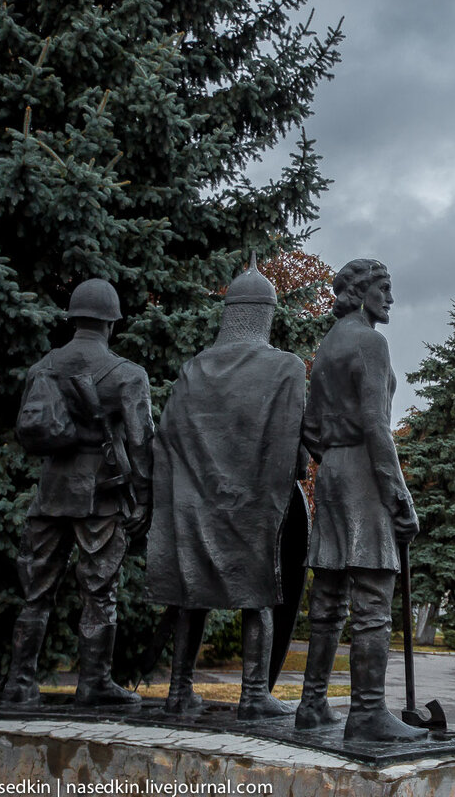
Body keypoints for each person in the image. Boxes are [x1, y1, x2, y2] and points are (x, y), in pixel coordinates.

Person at [144, 257, 308, 720]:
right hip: (253, 503)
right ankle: (253, 695)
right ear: (265, 315)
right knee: (257, 594)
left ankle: (179, 689)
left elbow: (168, 438)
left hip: (195, 503)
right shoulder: (287, 368)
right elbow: (292, 448)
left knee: (191, 594)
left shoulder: (193, 368)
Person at [1, 278, 154, 707]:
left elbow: (30, 428)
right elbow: (142, 442)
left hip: (50, 492)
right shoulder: (127, 375)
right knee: (100, 591)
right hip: (101, 495)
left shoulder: (43, 367)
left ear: (74, 319)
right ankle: (94, 683)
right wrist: (143, 497)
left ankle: (19, 683)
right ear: (110, 324)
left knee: (34, 593)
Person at [296, 258, 425, 742]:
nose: (391, 299)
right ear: (360, 291)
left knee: (328, 598)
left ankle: (311, 705)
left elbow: (309, 428)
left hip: (330, 474)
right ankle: (367, 713)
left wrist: (331, 462)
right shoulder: (371, 342)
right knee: (371, 598)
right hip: (362, 475)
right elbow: (377, 425)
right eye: (384, 289)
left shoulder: (329, 345)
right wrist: (398, 495)